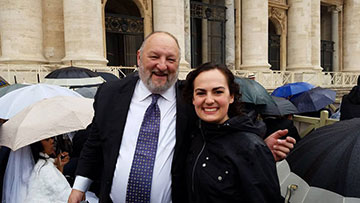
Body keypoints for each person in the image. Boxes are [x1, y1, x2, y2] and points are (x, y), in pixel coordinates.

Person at [68, 31, 295, 203]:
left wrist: (256, 151)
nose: (162, 66)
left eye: (171, 59)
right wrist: (79, 187)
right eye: (154, 56)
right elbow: (94, 143)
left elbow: (222, 129)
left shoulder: (191, 99)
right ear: (139, 57)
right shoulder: (110, 94)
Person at [183, 63, 283, 202]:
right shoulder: (195, 136)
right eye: (201, 93)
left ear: (231, 96)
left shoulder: (251, 147)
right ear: (193, 99)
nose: (209, 100)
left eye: (218, 92)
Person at [24, 137, 71, 202]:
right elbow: (65, 196)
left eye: (52, 138)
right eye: (47, 139)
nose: (52, 141)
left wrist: (60, 166)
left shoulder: (43, 164)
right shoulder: (45, 169)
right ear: (38, 144)